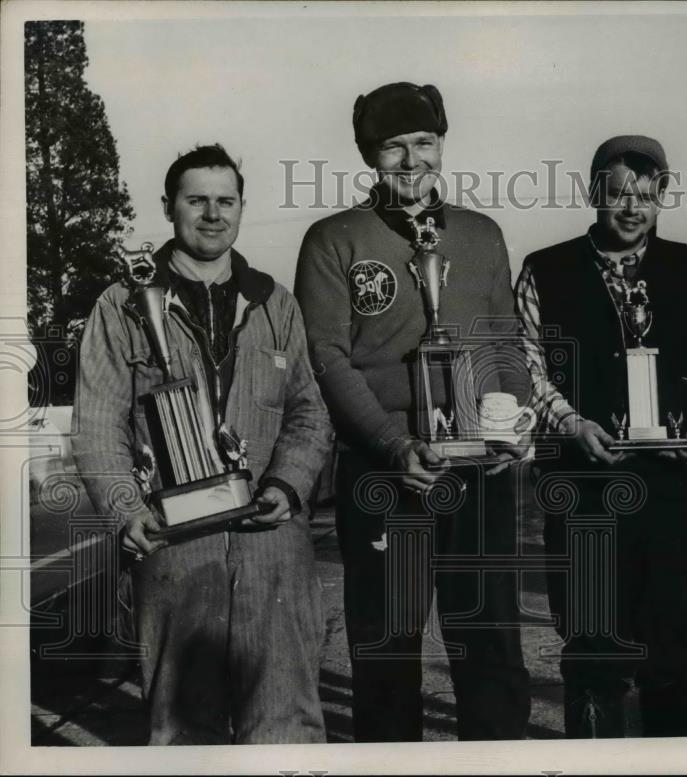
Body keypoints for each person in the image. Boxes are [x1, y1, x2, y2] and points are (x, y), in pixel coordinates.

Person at [294, 82, 531, 742]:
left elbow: (504, 340)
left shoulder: (482, 234)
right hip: (385, 474)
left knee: (490, 646)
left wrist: (516, 420)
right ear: (369, 154)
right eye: (392, 146)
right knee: (388, 653)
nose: (411, 159)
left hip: (478, 473)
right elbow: (328, 357)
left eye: (424, 142)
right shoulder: (334, 239)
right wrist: (394, 446)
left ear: (442, 144)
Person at [73, 144, 333, 744]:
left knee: (285, 722)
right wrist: (123, 509)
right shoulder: (121, 304)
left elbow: (309, 414)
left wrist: (287, 484)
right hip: (174, 544)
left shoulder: (275, 302)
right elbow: (96, 422)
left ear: (242, 208)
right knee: (183, 728)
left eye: (226, 201)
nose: (212, 214)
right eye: (197, 200)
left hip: (271, 542)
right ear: (169, 207)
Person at [515, 135, 687, 737]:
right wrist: (570, 422)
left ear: (662, 197)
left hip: (671, 491)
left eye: (646, 194)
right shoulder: (545, 268)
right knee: (593, 650)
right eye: (616, 194)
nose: (631, 207)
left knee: (675, 649)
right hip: (583, 491)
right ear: (594, 194)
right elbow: (525, 363)